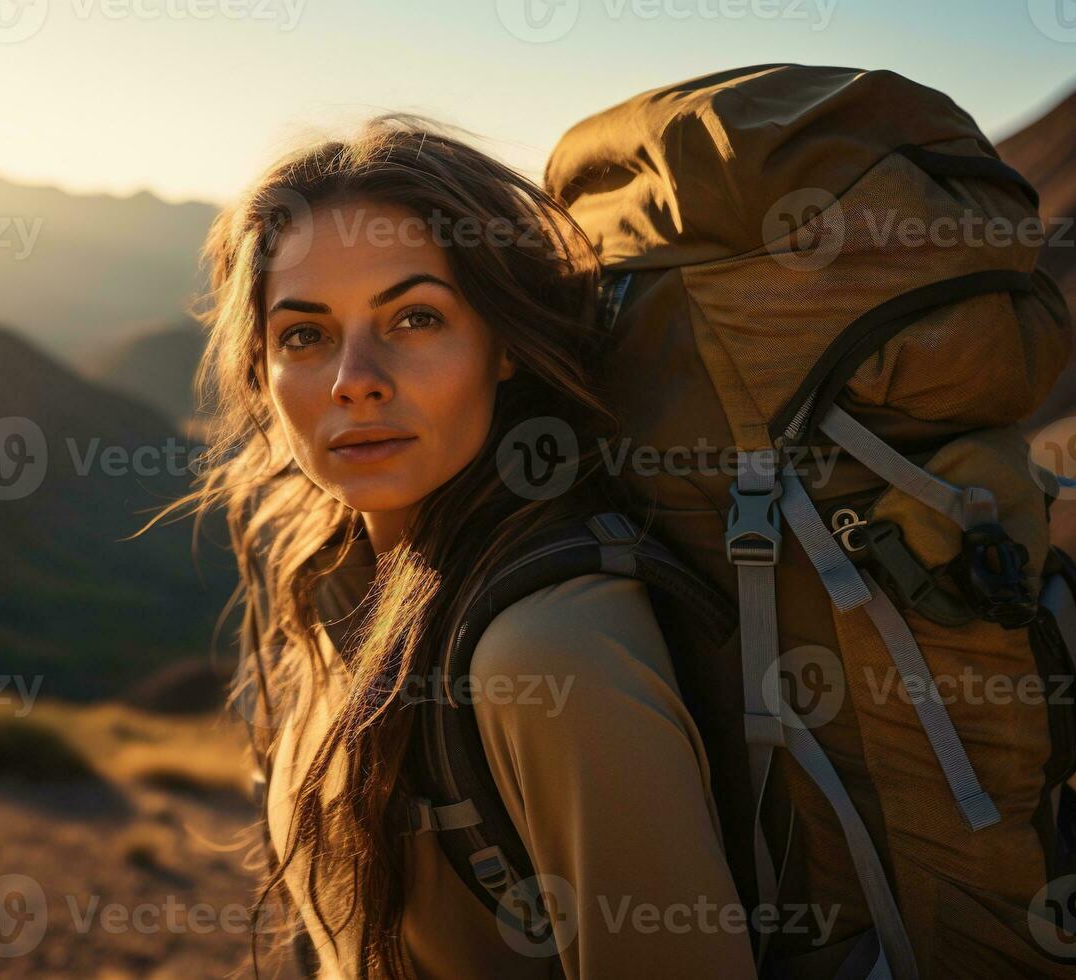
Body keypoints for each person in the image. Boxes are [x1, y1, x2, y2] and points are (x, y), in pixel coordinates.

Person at [148, 114, 759, 979]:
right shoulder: (336, 590)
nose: (354, 377)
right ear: (261, 369)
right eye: (304, 334)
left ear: (502, 347)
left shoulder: (551, 655)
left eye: (415, 318)